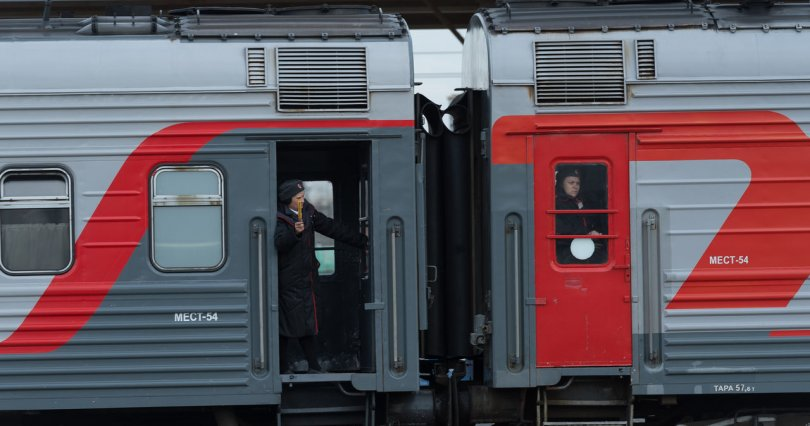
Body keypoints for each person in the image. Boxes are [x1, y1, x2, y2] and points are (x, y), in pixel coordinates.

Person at [274, 179, 367, 374]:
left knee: (304, 322)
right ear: (287, 199)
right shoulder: (278, 217)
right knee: (289, 325)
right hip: (289, 280)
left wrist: (360, 240)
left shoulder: (308, 212)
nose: (302, 200)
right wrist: (295, 234)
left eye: (303, 196)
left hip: (307, 278)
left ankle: (307, 367)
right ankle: (290, 369)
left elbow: (331, 228)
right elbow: (280, 244)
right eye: (298, 198)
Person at [555, 168, 605, 264]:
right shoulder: (557, 204)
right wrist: (587, 234)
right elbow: (561, 228)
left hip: (584, 245)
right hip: (566, 250)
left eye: (578, 183)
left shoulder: (579, 201)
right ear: (561, 184)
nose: (575, 186)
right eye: (571, 183)